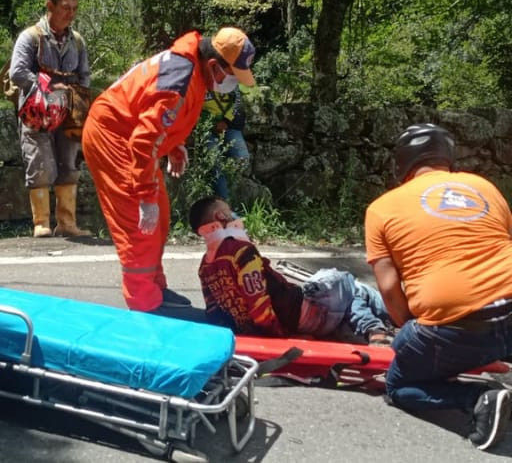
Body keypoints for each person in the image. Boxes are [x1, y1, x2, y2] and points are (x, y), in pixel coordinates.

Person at [82, 26, 256, 321]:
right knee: (139, 226)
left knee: (159, 218)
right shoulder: (178, 80)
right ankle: (145, 306)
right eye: (230, 76)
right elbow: (144, 139)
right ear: (214, 64)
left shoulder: (194, 70)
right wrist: (144, 196)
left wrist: (176, 146)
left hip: (131, 136)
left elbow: (162, 120)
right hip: (115, 138)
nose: (231, 84)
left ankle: (154, 289)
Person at [365, 123, 512, 451]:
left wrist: (409, 332)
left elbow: (389, 290)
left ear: (403, 162)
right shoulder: (483, 186)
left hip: (458, 329)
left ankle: (479, 399)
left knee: (399, 385)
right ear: (447, 158)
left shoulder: (382, 208)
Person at [189, 196, 392, 343]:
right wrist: (283, 338)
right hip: (303, 314)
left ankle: (359, 325)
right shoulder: (242, 252)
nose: (234, 214)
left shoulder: (205, 267)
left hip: (295, 315)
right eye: (230, 209)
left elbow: (214, 312)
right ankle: (377, 328)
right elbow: (259, 305)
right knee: (346, 282)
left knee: (341, 289)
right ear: (222, 215)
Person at [9, 0, 91, 238]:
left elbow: (85, 75)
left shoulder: (77, 41)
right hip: (37, 112)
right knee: (39, 164)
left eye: (75, 8)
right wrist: (46, 87)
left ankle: (67, 223)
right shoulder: (30, 37)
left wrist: (76, 96)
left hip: (68, 114)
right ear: (50, 5)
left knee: (70, 164)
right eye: (66, 7)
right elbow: (18, 72)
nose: (71, 13)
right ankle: (41, 222)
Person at [201, 86, 250, 200]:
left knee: (242, 159)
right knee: (214, 164)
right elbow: (190, 107)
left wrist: (226, 121)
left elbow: (237, 101)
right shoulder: (194, 82)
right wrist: (207, 123)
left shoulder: (227, 77)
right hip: (206, 128)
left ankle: (230, 197)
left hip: (229, 125)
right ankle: (224, 203)